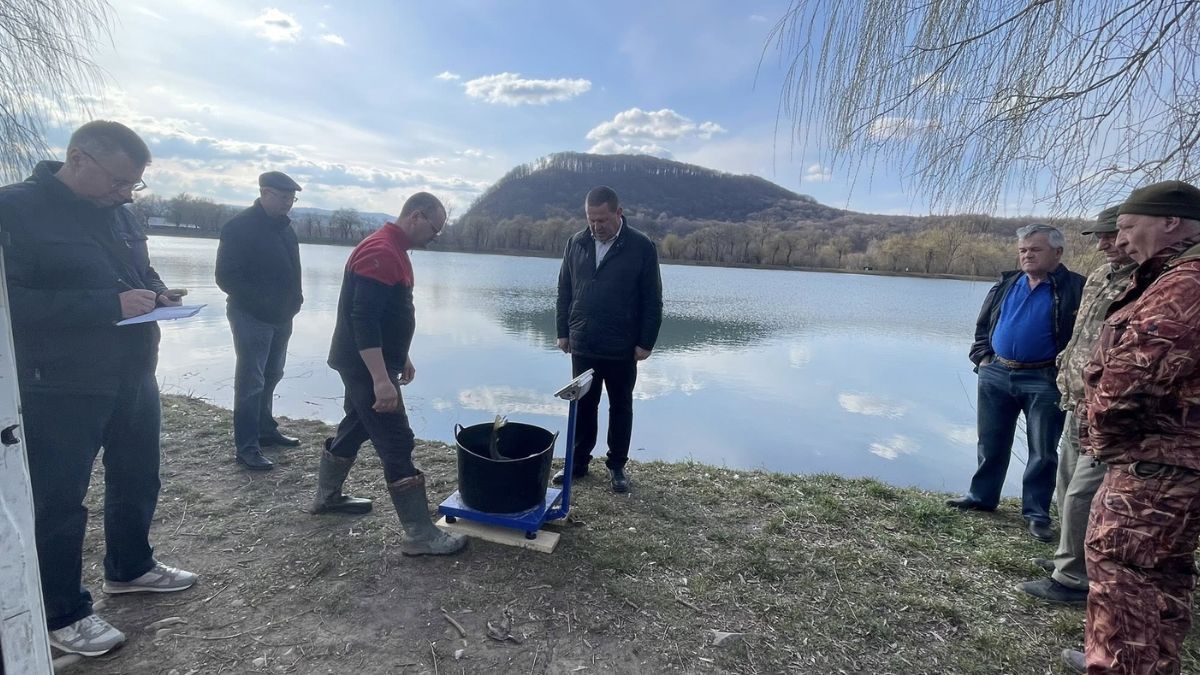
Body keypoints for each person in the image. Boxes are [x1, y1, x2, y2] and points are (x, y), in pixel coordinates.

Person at [0, 120, 197, 657]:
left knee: (138, 476)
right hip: (60, 382)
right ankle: (61, 612)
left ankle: (130, 568)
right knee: (59, 501)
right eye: (118, 181)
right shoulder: (15, 209)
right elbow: (11, 305)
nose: (125, 194)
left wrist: (157, 293)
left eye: (133, 185)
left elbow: (140, 270)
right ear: (79, 158)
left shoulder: (121, 213)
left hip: (134, 370)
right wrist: (106, 307)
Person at [1058, 181, 1200, 674]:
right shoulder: (1168, 277)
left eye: (1127, 227)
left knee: (1126, 578)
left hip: (1154, 469)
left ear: (1170, 222)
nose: (1119, 240)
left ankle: (1120, 663)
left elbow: (1129, 378)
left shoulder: (1184, 284)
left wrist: (1103, 440)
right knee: (1160, 581)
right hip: (1170, 464)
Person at [315, 192, 466, 556]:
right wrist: (382, 380)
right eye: (435, 228)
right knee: (397, 441)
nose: (435, 236)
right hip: (365, 367)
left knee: (358, 423)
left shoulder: (393, 250)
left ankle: (327, 497)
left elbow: (387, 315)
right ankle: (419, 535)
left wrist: (403, 355)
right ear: (416, 216)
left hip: (371, 362)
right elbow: (363, 320)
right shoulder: (381, 252)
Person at [1018, 207, 1135, 605]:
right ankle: (1067, 558)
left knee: (1084, 492)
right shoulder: (1102, 277)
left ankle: (1071, 580)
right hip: (1074, 396)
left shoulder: (1150, 280)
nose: (1104, 243)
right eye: (1100, 236)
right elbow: (1083, 332)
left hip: (1108, 405)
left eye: (1112, 234)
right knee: (1067, 483)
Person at [947, 224, 1085, 542]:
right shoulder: (1007, 283)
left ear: (1057, 252)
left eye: (1034, 249)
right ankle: (982, 497)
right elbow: (983, 326)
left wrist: (1063, 374)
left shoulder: (1077, 287)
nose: (1026, 255)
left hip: (1044, 378)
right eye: (1023, 250)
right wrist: (983, 359)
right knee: (991, 442)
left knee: (1043, 450)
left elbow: (1084, 338)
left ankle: (1036, 514)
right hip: (996, 374)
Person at [554, 186, 663, 493]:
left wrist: (646, 342)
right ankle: (577, 463)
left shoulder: (641, 246)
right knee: (584, 405)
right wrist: (563, 330)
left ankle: (617, 466)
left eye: (602, 220)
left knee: (620, 406)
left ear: (618, 213)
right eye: (591, 219)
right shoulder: (575, 242)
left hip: (622, 345)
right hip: (583, 341)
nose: (596, 226)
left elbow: (652, 299)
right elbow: (564, 289)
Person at [215, 171, 305, 470]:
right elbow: (226, 277)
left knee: (273, 374)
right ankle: (247, 446)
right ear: (264, 193)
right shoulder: (239, 227)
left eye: (292, 198)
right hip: (250, 316)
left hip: (282, 316)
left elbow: (293, 268)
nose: (288, 204)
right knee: (251, 381)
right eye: (283, 197)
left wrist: (296, 299)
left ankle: (266, 430)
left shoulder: (285, 228)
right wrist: (262, 304)